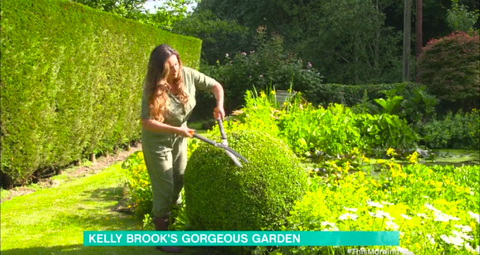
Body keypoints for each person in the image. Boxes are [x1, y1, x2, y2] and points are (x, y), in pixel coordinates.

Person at [140, 44, 225, 253]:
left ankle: (175, 225)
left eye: (176, 63)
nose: (176, 70)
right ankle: (161, 238)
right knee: (165, 188)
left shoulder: (187, 75)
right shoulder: (153, 88)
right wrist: (177, 131)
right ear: (161, 69)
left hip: (179, 138)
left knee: (179, 179)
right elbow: (147, 122)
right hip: (158, 142)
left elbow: (216, 86)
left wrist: (220, 105)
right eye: (170, 67)